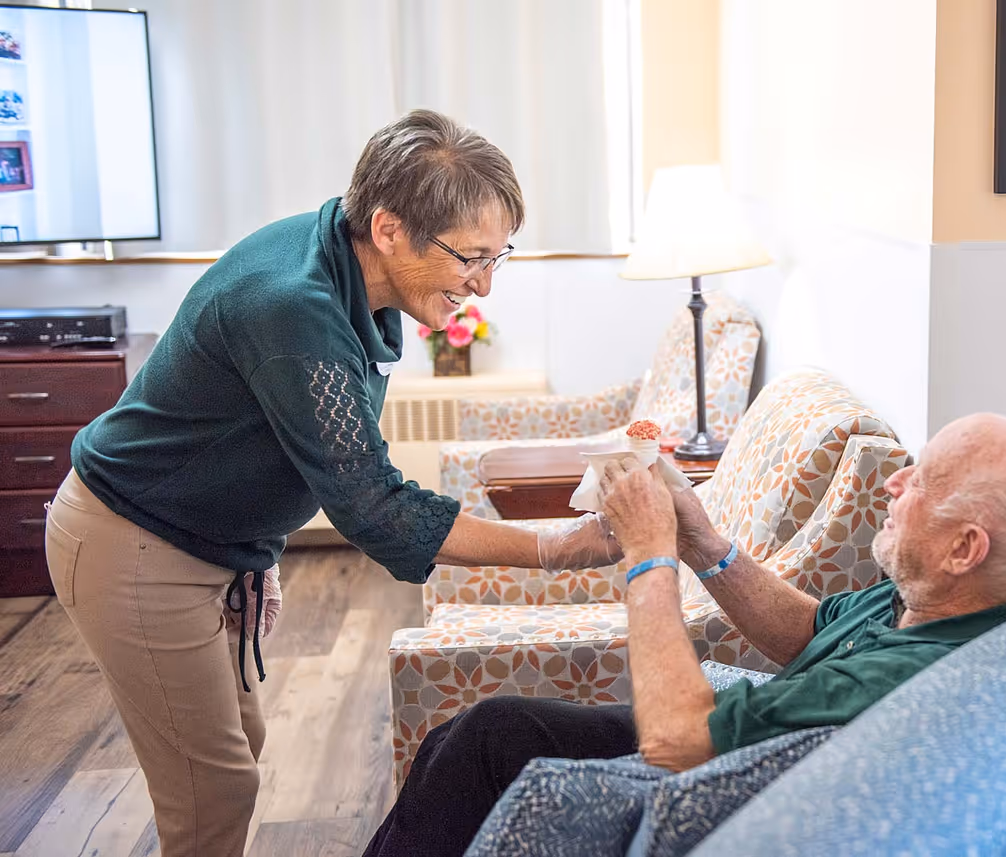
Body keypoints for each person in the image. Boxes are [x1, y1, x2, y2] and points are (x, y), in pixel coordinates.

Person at [42, 109, 622, 857]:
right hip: (136, 548)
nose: (483, 285)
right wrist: (560, 547)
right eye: (469, 258)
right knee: (212, 787)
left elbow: (272, 439)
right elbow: (374, 505)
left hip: (209, 544)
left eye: (497, 257)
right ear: (388, 228)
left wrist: (260, 550)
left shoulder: (340, 259)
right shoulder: (295, 309)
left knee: (238, 742)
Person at [363, 413, 1006, 857]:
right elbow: (806, 631)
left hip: (716, 790)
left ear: (965, 547)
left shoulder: (927, 677)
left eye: (922, 480)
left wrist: (650, 555)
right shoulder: (933, 597)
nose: (895, 483)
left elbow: (676, 739)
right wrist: (703, 543)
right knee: (466, 736)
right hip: (737, 739)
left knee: (484, 740)